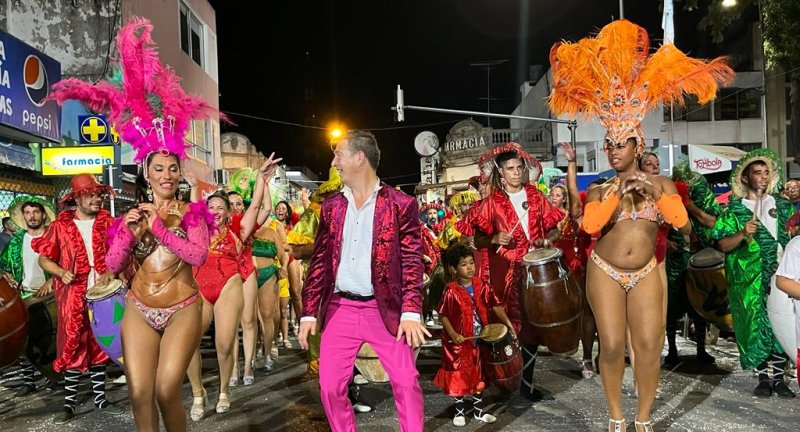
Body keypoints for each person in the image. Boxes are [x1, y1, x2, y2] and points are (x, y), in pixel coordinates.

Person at [549, 19, 732, 431]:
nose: (613, 151)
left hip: (647, 272)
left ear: (639, 144)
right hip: (605, 271)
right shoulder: (600, 188)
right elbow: (589, 226)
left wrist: (649, 185)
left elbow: (683, 223)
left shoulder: (661, 183)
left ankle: (643, 419)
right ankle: (616, 417)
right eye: (608, 144)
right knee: (612, 345)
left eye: (621, 144)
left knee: (647, 347)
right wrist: (618, 190)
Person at [48, 18, 223, 430]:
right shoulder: (133, 215)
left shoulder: (193, 213)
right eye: (158, 168)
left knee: (165, 392)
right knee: (140, 396)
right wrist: (130, 232)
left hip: (182, 308)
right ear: (146, 173)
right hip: (140, 308)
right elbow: (110, 264)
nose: (166, 174)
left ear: (181, 173)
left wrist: (160, 230)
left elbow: (197, 256)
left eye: (172, 168)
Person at [298, 130, 428, 432]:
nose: (334, 162)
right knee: (330, 388)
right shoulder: (331, 207)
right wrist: (308, 311)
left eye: (338, 155)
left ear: (360, 157)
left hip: (386, 311)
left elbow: (411, 260)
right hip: (340, 308)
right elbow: (319, 261)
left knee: (407, 383)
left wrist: (411, 310)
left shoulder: (401, 204)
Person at [469, 142, 564, 402]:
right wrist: (493, 239)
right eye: (510, 168)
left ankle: (526, 383)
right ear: (501, 173)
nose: (516, 172)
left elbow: (554, 228)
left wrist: (548, 239)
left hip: (534, 273)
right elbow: (477, 240)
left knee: (532, 327)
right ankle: (502, 379)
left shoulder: (536, 197)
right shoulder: (491, 204)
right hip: (504, 273)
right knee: (506, 326)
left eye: (519, 167)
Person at [187, 155, 279, 418]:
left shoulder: (238, 231)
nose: (215, 211)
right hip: (200, 287)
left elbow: (256, 208)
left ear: (228, 212)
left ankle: (224, 390)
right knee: (188, 342)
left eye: (220, 207)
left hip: (229, 283)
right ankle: (197, 392)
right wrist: (194, 187)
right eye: (211, 207)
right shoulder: (198, 230)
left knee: (225, 344)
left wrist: (261, 179)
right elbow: (194, 207)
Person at [32, 174, 123, 424]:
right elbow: (43, 258)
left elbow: (122, 251)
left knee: (99, 346)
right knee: (72, 345)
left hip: (102, 297)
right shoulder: (60, 226)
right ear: (78, 197)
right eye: (92, 194)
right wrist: (60, 272)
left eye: (99, 194)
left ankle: (101, 399)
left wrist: (113, 270)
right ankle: (69, 404)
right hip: (72, 296)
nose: (98, 198)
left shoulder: (109, 222)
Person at [712, 149, 796, 399]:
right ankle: (762, 378)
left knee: (781, 321)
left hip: (780, 275)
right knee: (754, 324)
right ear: (746, 178)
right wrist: (742, 234)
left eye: (766, 172)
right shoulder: (733, 211)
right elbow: (720, 245)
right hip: (748, 279)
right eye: (757, 172)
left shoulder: (782, 206)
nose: (763, 177)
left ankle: (780, 378)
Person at [434, 243, 513, 427]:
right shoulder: (451, 291)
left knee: (479, 375)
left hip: (479, 339)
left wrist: (508, 324)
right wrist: (453, 334)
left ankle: (478, 412)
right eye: (464, 264)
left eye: (471, 263)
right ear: (454, 268)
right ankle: (459, 411)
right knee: (459, 376)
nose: (470, 267)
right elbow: (443, 315)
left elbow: (495, 305)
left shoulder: (483, 286)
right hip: (458, 342)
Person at [0, 196, 56, 396]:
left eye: (35, 212)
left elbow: (66, 262)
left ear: (43, 214)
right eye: (27, 212)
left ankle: (54, 376)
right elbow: (4, 266)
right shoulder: (16, 241)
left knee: (50, 340)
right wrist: (9, 278)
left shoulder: (53, 237)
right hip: (24, 295)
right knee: (25, 342)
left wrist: (52, 281)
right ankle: (29, 381)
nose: (31, 216)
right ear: (23, 216)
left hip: (51, 296)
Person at [228, 185, 263, 387]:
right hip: (226, 273)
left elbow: (263, 208)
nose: (234, 207)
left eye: (238, 203)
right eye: (230, 204)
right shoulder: (217, 224)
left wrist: (262, 182)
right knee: (229, 325)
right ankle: (233, 367)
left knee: (248, 320)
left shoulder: (248, 223)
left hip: (247, 269)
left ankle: (248, 365)